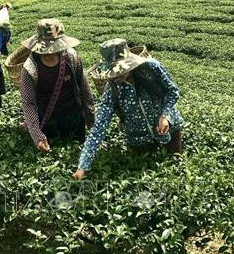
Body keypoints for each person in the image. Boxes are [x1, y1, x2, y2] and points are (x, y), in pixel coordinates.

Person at [73, 38, 183, 180]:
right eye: (113, 72)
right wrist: (83, 166)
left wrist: (166, 115)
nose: (117, 75)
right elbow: (99, 127)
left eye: (120, 71)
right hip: (139, 140)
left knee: (175, 172)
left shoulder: (151, 68)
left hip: (170, 131)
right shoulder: (112, 89)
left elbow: (172, 91)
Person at [19, 18, 95, 152]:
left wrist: (90, 114)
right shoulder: (30, 69)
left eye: (54, 48)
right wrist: (37, 136)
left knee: (77, 145)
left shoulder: (71, 58)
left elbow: (84, 87)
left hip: (73, 115)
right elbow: (28, 103)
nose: (50, 52)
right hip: (48, 118)